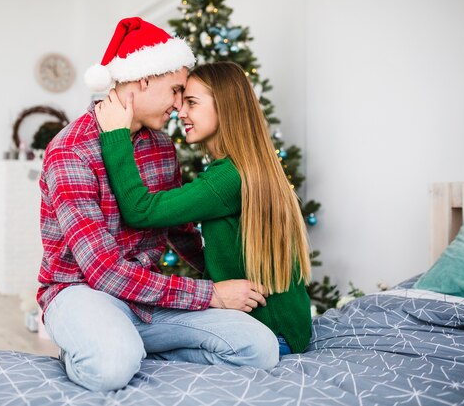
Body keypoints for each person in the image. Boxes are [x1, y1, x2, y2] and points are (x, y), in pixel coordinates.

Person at [37, 17, 278, 393]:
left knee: (259, 348)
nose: (180, 105)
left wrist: (229, 274)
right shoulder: (71, 150)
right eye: (177, 90)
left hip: (147, 298)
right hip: (82, 292)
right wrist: (211, 294)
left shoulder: (161, 146)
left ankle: (133, 349)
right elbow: (103, 271)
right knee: (111, 365)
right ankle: (99, 348)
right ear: (144, 79)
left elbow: (180, 230)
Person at [95, 61, 313, 359]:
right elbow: (213, 245)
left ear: (225, 108)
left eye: (192, 103)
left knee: (148, 349)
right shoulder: (247, 168)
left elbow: (140, 211)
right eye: (182, 102)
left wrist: (115, 135)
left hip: (271, 336)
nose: (181, 112)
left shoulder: (227, 178)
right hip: (292, 330)